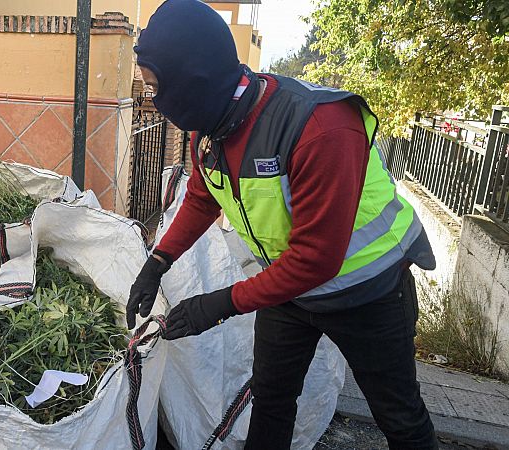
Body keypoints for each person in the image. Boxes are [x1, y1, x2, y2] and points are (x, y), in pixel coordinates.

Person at [126, 1, 439, 449]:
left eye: (157, 87)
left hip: (368, 293)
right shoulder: (212, 124)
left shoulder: (320, 127)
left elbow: (316, 259)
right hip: (288, 291)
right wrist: (157, 261)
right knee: (271, 399)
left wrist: (217, 305)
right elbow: (203, 193)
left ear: (192, 81)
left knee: (400, 418)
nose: (154, 102)